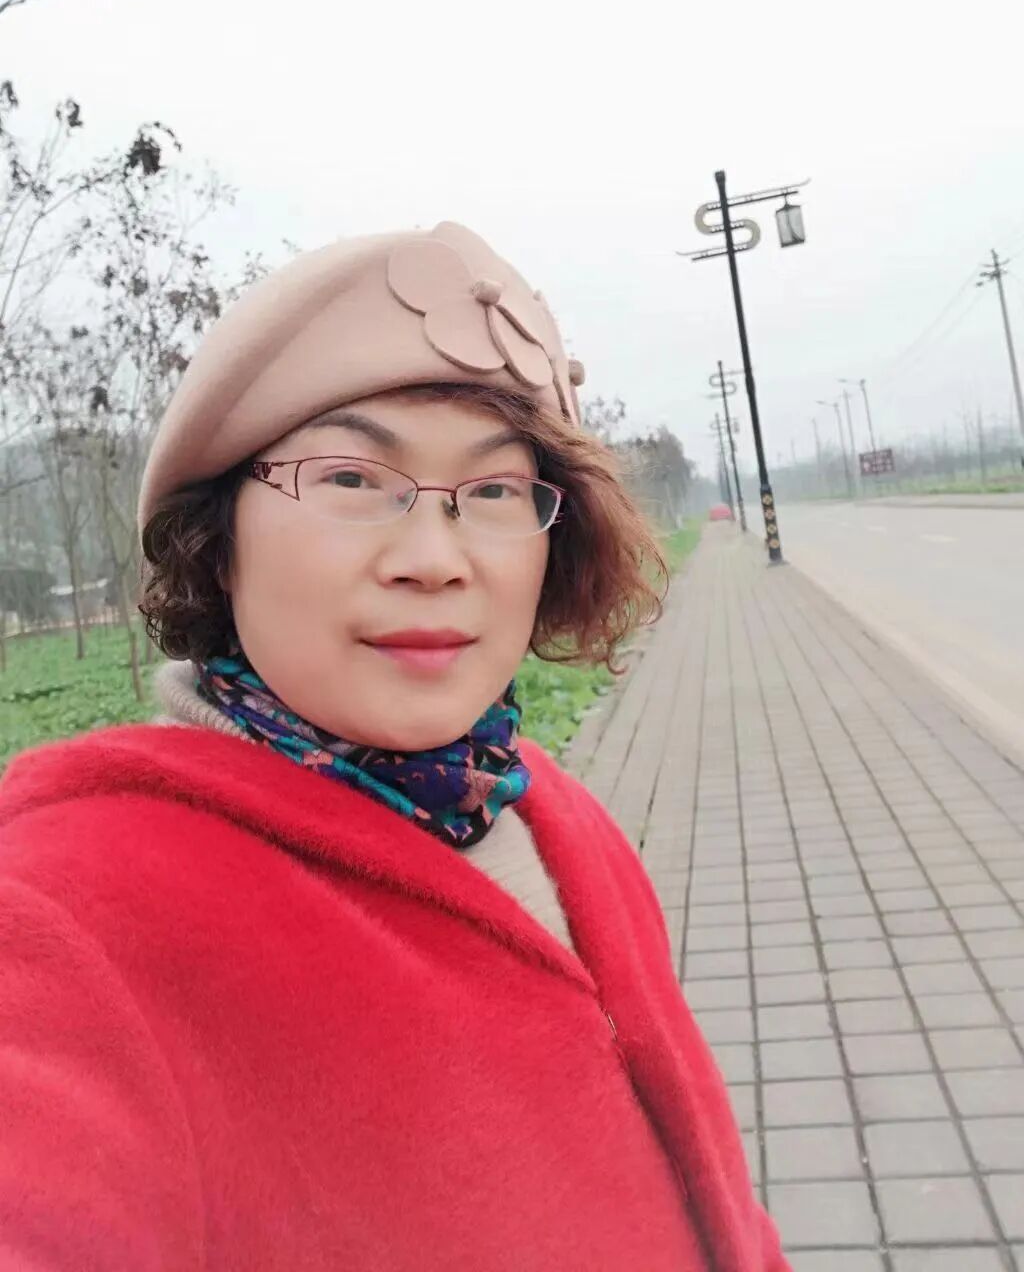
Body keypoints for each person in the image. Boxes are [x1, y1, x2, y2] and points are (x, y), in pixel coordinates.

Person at [0, 222, 788, 1271]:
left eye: (494, 492)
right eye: (353, 480)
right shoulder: (69, 910)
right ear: (217, 541)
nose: (434, 558)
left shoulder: (545, 809)